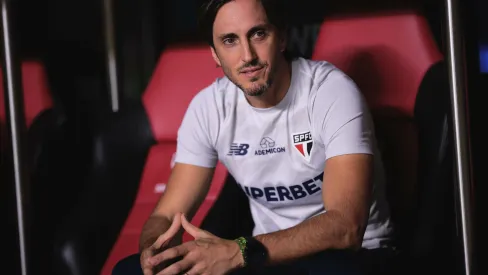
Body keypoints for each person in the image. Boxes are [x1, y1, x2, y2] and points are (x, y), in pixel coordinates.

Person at [112, 0, 394, 274]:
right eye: (230, 41)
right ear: (214, 53)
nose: (247, 56)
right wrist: (155, 252)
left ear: (281, 37)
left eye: (258, 34)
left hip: (354, 257)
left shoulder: (330, 92)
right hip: (263, 259)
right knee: (128, 270)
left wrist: (238, 251)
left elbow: (346, 228)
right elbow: (165, 215)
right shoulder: (209, 107)